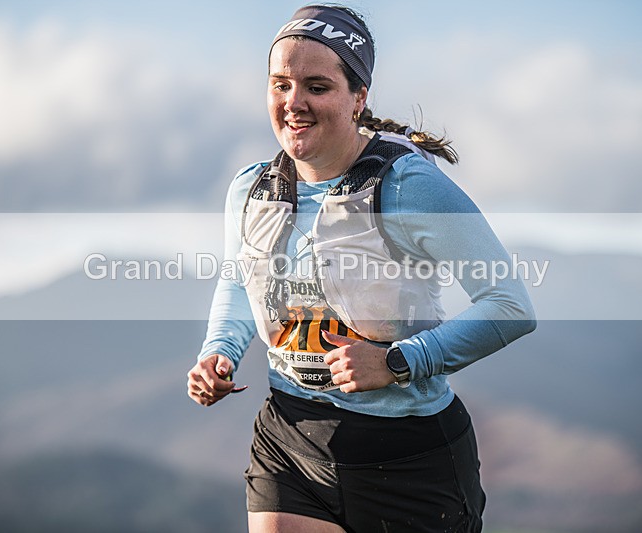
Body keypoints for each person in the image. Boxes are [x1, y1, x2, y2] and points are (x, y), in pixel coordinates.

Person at [187, 5, 536, 532]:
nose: (293, 102)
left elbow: (511, 307)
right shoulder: (251, 189)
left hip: (409, 457)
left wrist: (397, 362)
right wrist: (220, 350)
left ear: (359, 98)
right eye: (280, 84)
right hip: (291, 434)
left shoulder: (410, 187)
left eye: (317, 86)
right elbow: (241, 276)